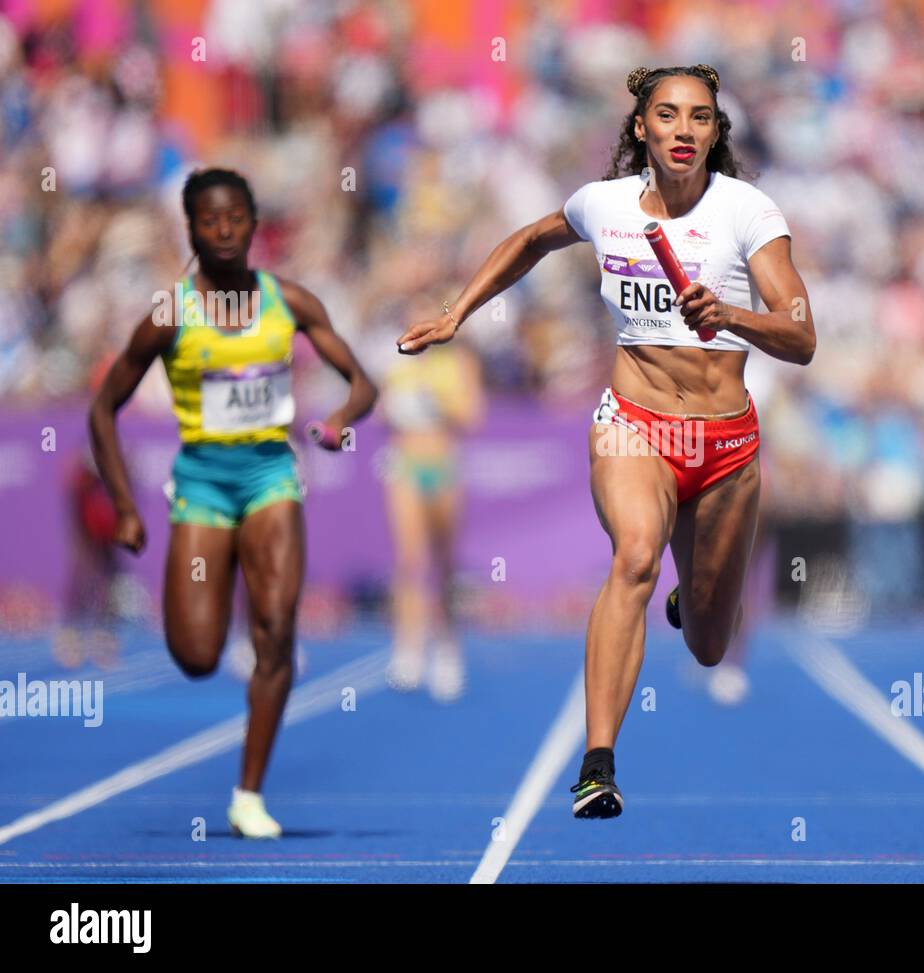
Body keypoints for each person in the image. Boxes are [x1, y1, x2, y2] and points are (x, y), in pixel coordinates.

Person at [397, 64, 815, 819]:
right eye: (667, 114)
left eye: (698, 117)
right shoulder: (605, 205)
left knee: (711, 645)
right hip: (634, 425)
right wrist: (459, 311)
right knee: (632, 557)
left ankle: (700, 593)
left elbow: (802, 334)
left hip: (725, 446)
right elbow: (530, 239)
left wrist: (730, 314)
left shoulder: (749, 213)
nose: (683, 130)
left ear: (716, 133)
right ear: (640, 128)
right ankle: (598, 763)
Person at [88, 168, 377, 838]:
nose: (223, 231)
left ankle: (249, 793)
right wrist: (126, 508)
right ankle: (214, 634)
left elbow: (361, 381)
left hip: (272, 475)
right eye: (209, 221)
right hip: (201, 485)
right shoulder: (169, 314)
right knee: (195, 654)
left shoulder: (289, 301)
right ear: (190, 229)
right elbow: (104, 409)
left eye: (236, 218)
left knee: (276, 630)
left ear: (254, 225)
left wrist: (339, 420)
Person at [379, 327, 484, 700]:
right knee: (409, 559)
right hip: (406, 463)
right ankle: (408, 647)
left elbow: (472, 415)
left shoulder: (458, 361)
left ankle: (447, 647)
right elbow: (383, 411)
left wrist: (435, 397)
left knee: (444, 563)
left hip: (443, 465)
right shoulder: (396, 359)